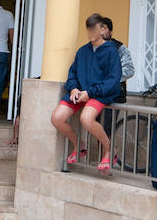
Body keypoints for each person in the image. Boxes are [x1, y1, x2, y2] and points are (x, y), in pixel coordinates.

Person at [50, 13, 122, 174]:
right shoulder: (82, 51)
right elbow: (72, 73)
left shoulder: (112, 51)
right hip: (80, 93)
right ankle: (79, 144)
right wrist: (73, 88)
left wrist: (90, 93)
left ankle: (109, 150)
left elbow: (113, 80)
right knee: (57, 117)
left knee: (86, 119)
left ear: (103, 29)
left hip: (99, 94)